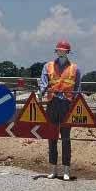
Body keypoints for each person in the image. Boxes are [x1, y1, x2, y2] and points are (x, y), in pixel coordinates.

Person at [39, 39, 81, 181]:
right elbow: (43, 83)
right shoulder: (48, 66)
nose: (60, 52)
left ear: (68, 52)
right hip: (52, 103)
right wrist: (41, 91)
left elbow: (77, 89)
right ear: (56, 51)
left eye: (63, 50)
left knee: (66, 138)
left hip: (66, 106)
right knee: (52, 137)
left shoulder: (75, 69)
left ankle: (66, 170)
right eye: (58, 50)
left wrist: (74, 106)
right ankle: (53, 169)